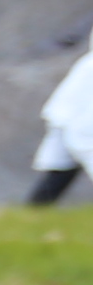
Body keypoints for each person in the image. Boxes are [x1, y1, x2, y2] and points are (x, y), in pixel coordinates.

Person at [37, 31, 93, 202]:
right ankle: (31, 214)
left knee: (60, 171)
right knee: (60, 171)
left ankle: (31, 214)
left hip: (73, 114)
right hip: (79, 115)